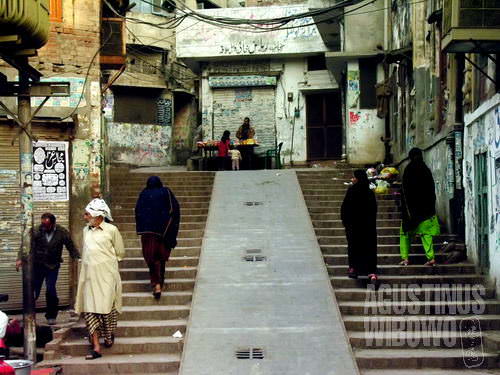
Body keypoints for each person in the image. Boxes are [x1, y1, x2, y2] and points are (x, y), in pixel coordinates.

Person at [75, 199, 124, 360]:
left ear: (97, 215)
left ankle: (108, 336)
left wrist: (106, 263)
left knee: (106, 309)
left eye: (88, 214)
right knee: (90, 311)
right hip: (89, 277)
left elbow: (120, 252)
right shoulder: (85, 231)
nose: (85, 217)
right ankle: (96, 347)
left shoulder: (112, 230)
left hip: (107, 277)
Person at [15, 213, 80, 325]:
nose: (45, 227)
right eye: (43, 224)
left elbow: (71, 246)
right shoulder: (36, 230)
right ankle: (29, 315)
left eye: (47, 225)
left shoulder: (62, 232)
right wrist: (20, 258)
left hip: (52, 266)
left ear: (53, 224)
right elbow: (25, 245)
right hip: (38, 265)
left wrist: (77, 258)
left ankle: (51, 315)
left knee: (50, 289)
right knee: (33, 290)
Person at [135, 176, 180, 299]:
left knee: (152, 259)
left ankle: (156, 284)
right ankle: (160, 282)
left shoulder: (143, 194)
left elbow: (138, 211)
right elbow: (174, 210)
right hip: (163, 232)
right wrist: (170, 230)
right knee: (161, 258)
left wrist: (142, 228)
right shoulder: (166, 192)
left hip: (148, 234)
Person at [399, 147, 440, 266]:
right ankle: (431, 258)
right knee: (426, 234)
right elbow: (432, 190)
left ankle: (405, 258)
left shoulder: (408, 170)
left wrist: (406, 210)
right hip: (426, 211)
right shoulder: (425, 169)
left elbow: (405, 191)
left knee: (405, 234)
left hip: (411, 211)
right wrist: (431, 208)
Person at [340, 169, 378, 284]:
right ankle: (371, 272)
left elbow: (344, 209)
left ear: (357, 178)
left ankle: (354, 269)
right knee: (369, 248)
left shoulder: (351, 191)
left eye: (354, 177)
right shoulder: (370, 192)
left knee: (353, 247)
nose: (352, 179)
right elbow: (374, 210)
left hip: (354, 226)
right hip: (368, 227)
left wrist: (346, 223)